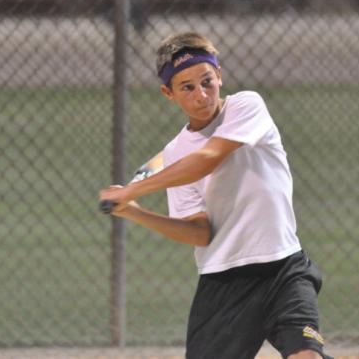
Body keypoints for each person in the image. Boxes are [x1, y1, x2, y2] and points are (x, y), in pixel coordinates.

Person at [99, 32, 333, 359]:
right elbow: (199, 233)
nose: (202, 94)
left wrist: (133, 189)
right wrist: (133, 211)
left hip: (283, 268)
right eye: (187, 87)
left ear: (219, 75)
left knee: (306, 355)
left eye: (207, 81)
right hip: (224, 280)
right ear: (168, 93)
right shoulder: (176, 154)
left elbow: (207, 158)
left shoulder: (246, 106)